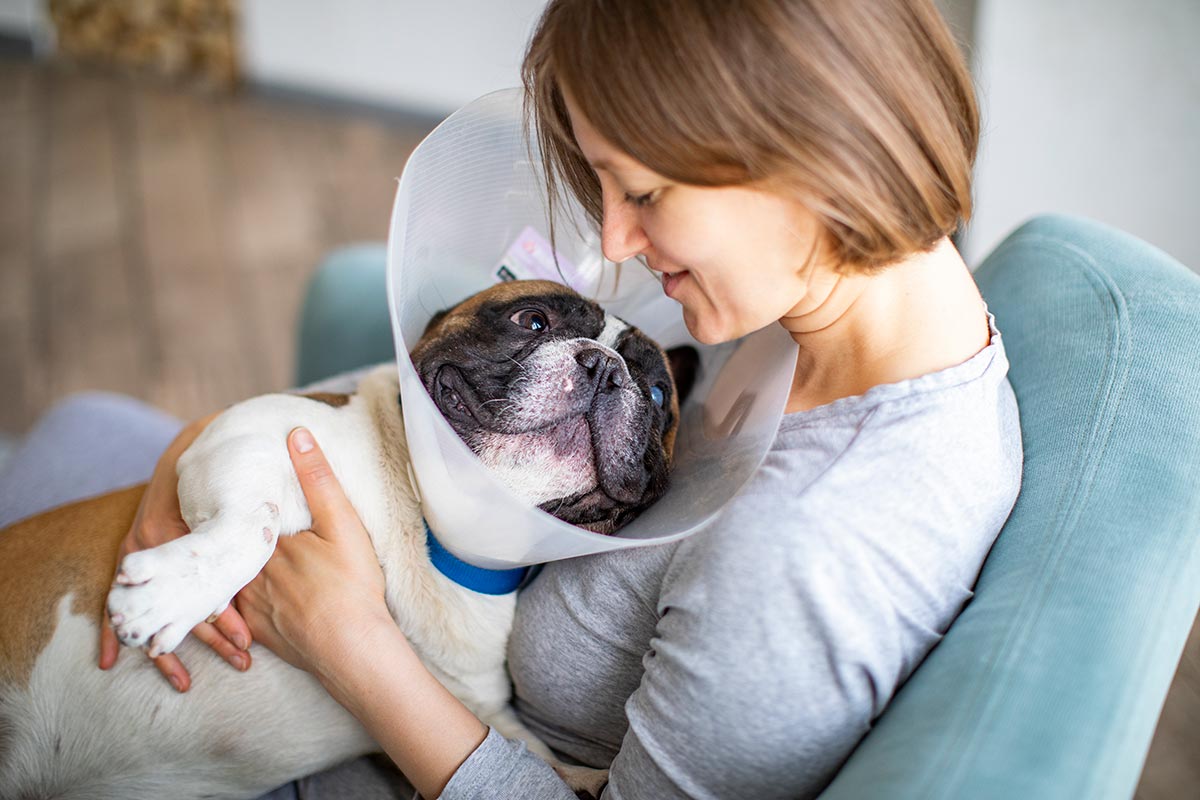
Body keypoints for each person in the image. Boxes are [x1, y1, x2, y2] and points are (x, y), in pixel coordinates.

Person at [0, 1, 1021, 798]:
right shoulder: (793, 300)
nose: (614, 242)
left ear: (812, 153)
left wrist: (351, 643)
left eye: (647, 194)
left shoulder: (811, 551)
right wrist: (226, 451)